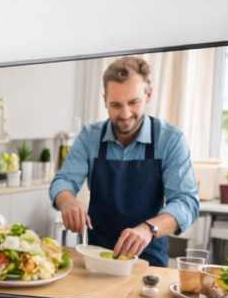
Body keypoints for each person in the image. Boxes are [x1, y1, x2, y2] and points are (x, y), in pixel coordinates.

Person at [49, 55, 200, 266]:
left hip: (148, 261)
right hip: (96, 259)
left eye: (133, 102)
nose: (125, 114)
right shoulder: (89, 137)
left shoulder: (170, 140)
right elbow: (63, 181)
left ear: (148, 95)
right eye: (115, 105)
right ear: (104, 101)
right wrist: (68, 202)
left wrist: (149, 229)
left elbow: (186, 202)